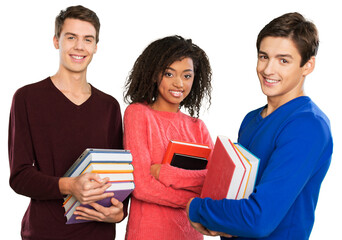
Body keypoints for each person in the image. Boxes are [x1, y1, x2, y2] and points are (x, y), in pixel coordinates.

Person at [186, 12, 333, 239]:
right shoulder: (251, 119)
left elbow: (259, 219)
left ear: (308, 65)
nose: (268, 70)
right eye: (264, 57)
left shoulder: (307, 126)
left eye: (283, 60)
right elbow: (237, 195)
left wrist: (197, 209)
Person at [8, 5, 127, 240]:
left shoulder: (109, 106)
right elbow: (19, 176)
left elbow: (119, 175)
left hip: (98, 233)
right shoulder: (27, 98)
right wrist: (69, 186)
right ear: (56, 41)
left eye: (88, 39)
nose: (79, 46)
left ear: (95, 46)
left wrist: (119, 213)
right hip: (46, 232)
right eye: (71, 37)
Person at [123, 35, 213, 240]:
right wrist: (195, 202)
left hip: (190, 234)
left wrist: (165, 173)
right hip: (149, 232)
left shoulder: (197, 127)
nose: (179, 83)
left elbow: (214, 183)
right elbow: (142, 187)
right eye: (169, 74)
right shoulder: (138, 114)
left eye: (187, 76)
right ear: (155, 75)